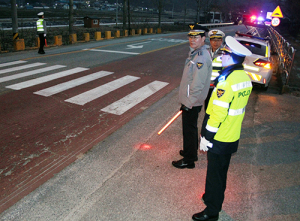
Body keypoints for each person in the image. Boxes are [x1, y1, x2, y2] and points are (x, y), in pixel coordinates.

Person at [192, 36, 253, 221]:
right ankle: (211, 198)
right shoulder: (244, 77)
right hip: (231, 135)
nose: (222, 55)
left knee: (215, 176)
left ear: (233, 57)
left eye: (225, 53)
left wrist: (206, 137)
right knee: (220, 172)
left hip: (219, 136)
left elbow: (218, 114)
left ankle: (212, 212)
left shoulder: (227, 82)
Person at [172, 24, 212, 169]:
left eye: (196, 37)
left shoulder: (201, 57)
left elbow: (198, 84)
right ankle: (191, 151)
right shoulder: (196, 53)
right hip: (191, 100)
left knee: (188, 130)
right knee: (191, 128)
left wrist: (188, 103)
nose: (192, 39)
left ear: (203, 38)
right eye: (190, 36)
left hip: (192, 101)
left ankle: (189, 160)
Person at [204, 29, 225, 111]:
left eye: (218, 40)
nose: (215, 43)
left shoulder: (225, 53)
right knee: (207, 109)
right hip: (207, 87)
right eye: (213, 40)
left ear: (221, 40)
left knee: (216, 110)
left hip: (218, 88)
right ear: (209, 40)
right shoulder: (205, 52)